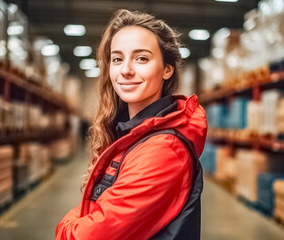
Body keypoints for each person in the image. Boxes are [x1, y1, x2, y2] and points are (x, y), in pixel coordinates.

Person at [55, 9, 207, 240]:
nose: (125, 70)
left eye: (142, 58)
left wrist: (65, 225)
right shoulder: (133, 134)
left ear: (167, 69)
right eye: (117, 59)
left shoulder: (163, 149)